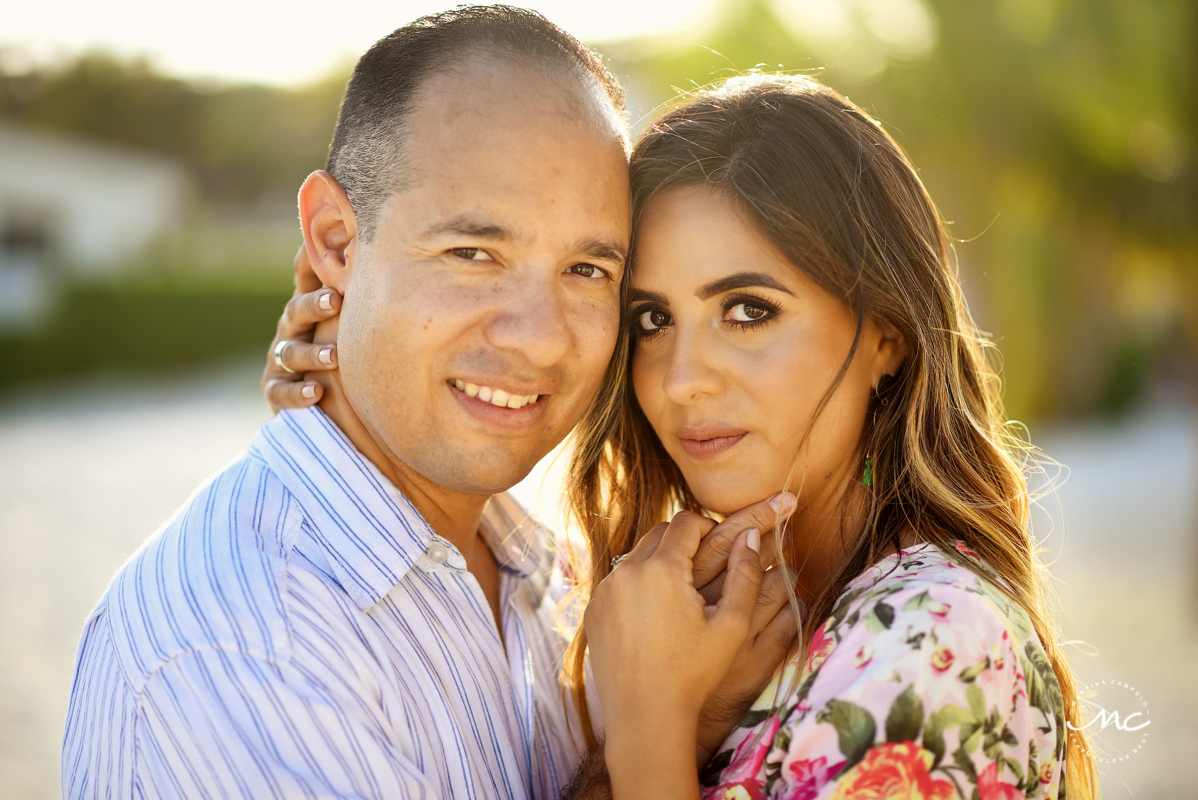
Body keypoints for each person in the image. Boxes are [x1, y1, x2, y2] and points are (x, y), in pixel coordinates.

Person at [271, 75, 1098, 799]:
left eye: (748, 311)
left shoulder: (930, 643)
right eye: (653, 319)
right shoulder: (692, 613)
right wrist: (361, 396)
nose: (678, 379)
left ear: (886, 335)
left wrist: (651, 733)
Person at [61, 8, 793, 799]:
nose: (541, 341)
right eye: (472, 253)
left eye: (587, 270)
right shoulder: (241, 649)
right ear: (337, 243)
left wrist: (685, 715)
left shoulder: (551, 575)